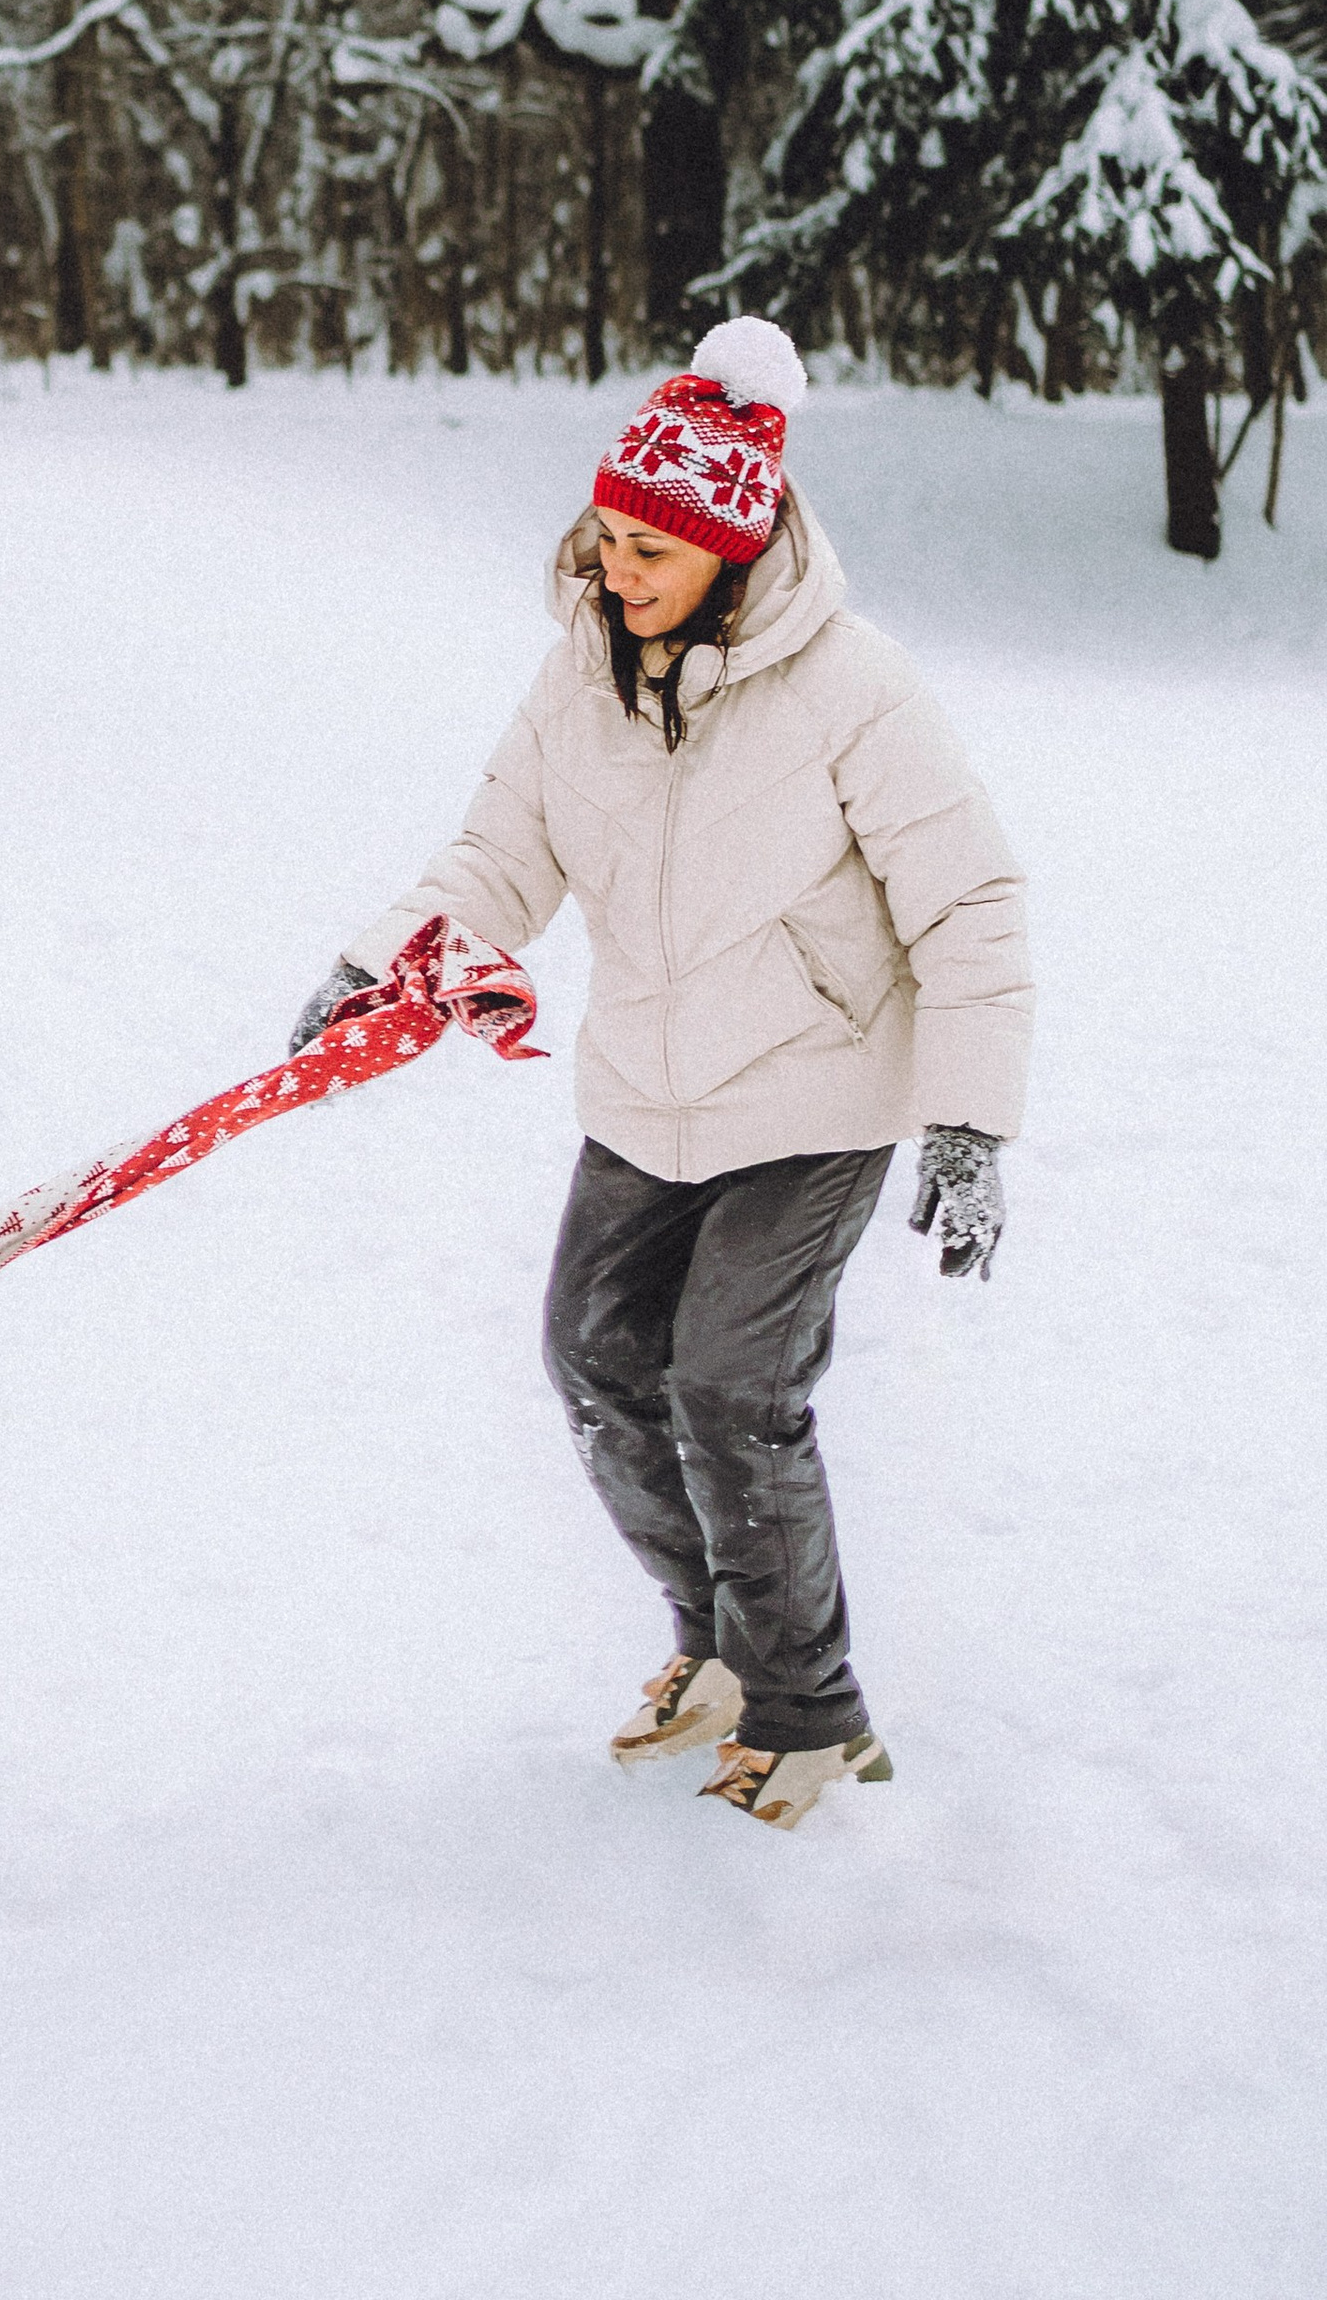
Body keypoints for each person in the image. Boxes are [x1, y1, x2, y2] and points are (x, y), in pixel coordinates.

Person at [294, 317, 1031, 1831]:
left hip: (822, 1085)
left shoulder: (851, 687)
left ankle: (811, 1709)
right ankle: (718, 1647)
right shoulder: (580, 678)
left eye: (646, 549)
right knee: (595, 1356)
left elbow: (969, 900)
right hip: (649, 1087)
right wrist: (389, 962)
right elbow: (502, 851)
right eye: (603, 537)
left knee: (731, 1382)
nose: (613, 572)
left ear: (731, 547)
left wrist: (966, 1117)